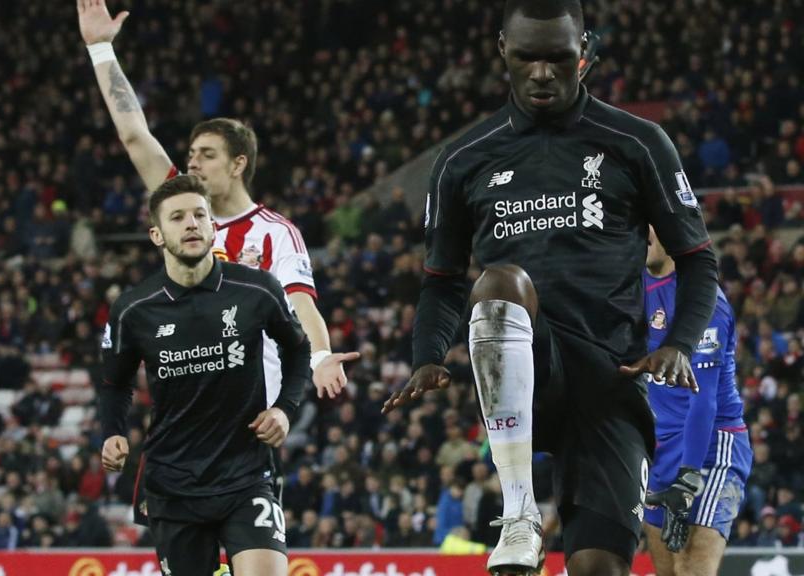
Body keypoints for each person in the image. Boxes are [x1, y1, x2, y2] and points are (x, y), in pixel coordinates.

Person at [382, 1, 718, 575]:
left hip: (611, 384)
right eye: (527, 58)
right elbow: (440, 281)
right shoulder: (463, 159)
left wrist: (680, 342)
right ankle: (519, 515)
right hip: (527, 367)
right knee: (502, 282)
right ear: (502, 53)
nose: (543, 73)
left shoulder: (636, 142)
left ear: (583, 53)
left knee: (599, 567)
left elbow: (697, 259)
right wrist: (427, 355)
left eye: (558, 58)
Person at [76, 0, 357, 405]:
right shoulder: (181, 204)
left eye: (207, 154)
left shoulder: (274, 232)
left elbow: (301, 304)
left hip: (248, 409)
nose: (193, 161)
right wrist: (101, 50)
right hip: (185, 402)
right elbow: (134, 134)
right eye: (191, 154)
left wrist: (322, 358)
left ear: (238, 163)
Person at [98, 175, 312, 575]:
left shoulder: (257, 290)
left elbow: (299, 348)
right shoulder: (133, 309)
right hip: (173, 484)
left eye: (200, 214)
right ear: (157, 235)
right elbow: (114, 384)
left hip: (246, 475)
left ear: (213, 226)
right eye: (177, 218)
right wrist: (112, 431)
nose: (192, 223)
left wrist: (284, 408)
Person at [643, 227, 752, 576]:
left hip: (709, 446)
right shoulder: (631, 290)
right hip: (660, 451)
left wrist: (689, 477)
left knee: (692, 569)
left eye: (652, 225)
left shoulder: (703, 299)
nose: (643, 234)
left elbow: (702, 401)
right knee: (668, 572)